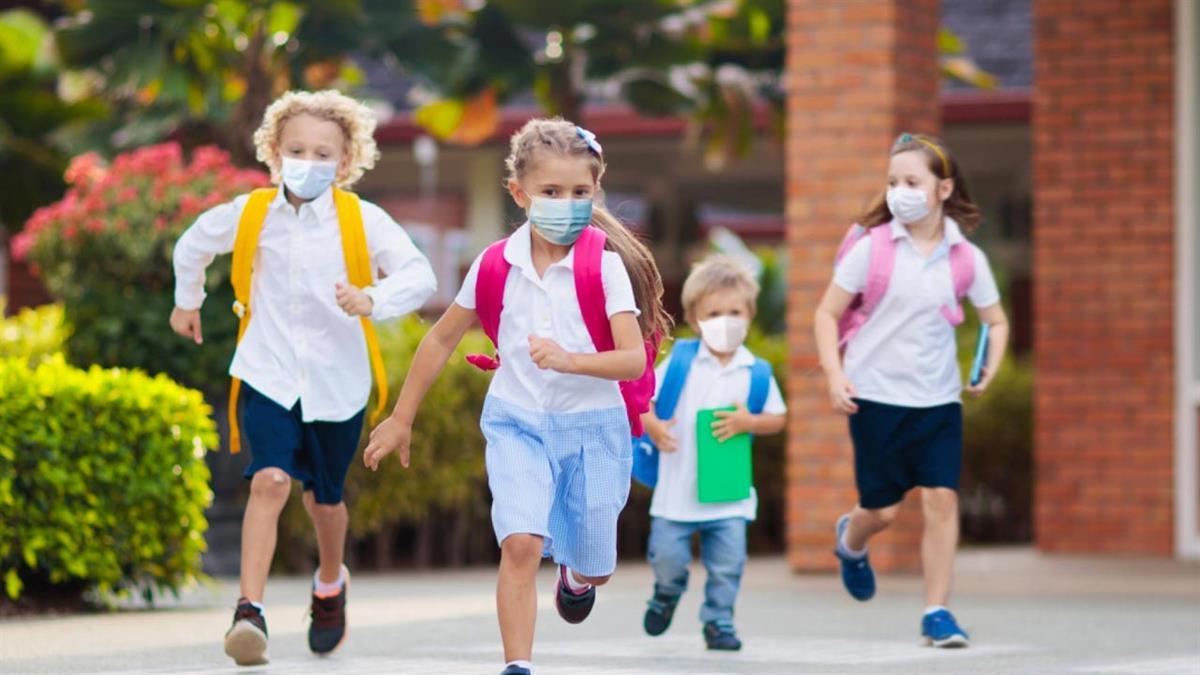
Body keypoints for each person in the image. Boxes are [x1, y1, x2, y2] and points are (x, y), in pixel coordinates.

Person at [363, 117, 670, 675]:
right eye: (551, 192)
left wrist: (570, 359)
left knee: (597, 564)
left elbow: (630, 359)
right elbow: (441, 339)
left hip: (594, 426)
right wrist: (402, 417)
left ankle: (576, 576)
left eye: (580, 192)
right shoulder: (494, 264)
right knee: (521, 544)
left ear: (595, 190)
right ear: (520, 193)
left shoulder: (603, 267)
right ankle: (518, 665)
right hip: (517, 422)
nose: (567, 203)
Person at [169, 90, 437, 666]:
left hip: (337, 384)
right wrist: (186, 301)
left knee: (324, 501)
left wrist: (372, 298)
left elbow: (419, 274)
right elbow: (193, 245)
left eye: (323, 153)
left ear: (345, 162)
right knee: (268, 481)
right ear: (274, 151)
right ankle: (249, 612)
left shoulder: (361, 220)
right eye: (297, 149)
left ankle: (330, 583)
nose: (308, 161)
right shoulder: (250, 213)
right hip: (266, 372)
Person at [813, 132, 1009, 648]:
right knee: (882, 511)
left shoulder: (966, 257)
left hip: (939, 400)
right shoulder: (872, 248)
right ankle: (851, 543)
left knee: (942, 500)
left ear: (943, 189)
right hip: (875, 396)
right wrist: (835, 376)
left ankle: (938, 611)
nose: (900, 191)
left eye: (912, 181)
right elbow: (826, 313)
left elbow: (996, 320)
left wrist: (989, 364)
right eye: (893, 181)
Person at [639, 255, 787, 651]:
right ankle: (667, 592)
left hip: (729, 494)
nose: (726, 320)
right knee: (667, 558)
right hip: (676, 493)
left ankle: (719, 621)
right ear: (694, 317)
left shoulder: (756, 371)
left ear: (750, 315)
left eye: (735, 311)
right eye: (714, 312)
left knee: (728, 566)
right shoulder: (682, 361)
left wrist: (749, 422)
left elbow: (777, 418)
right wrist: (652, 426)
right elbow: (642, 399)